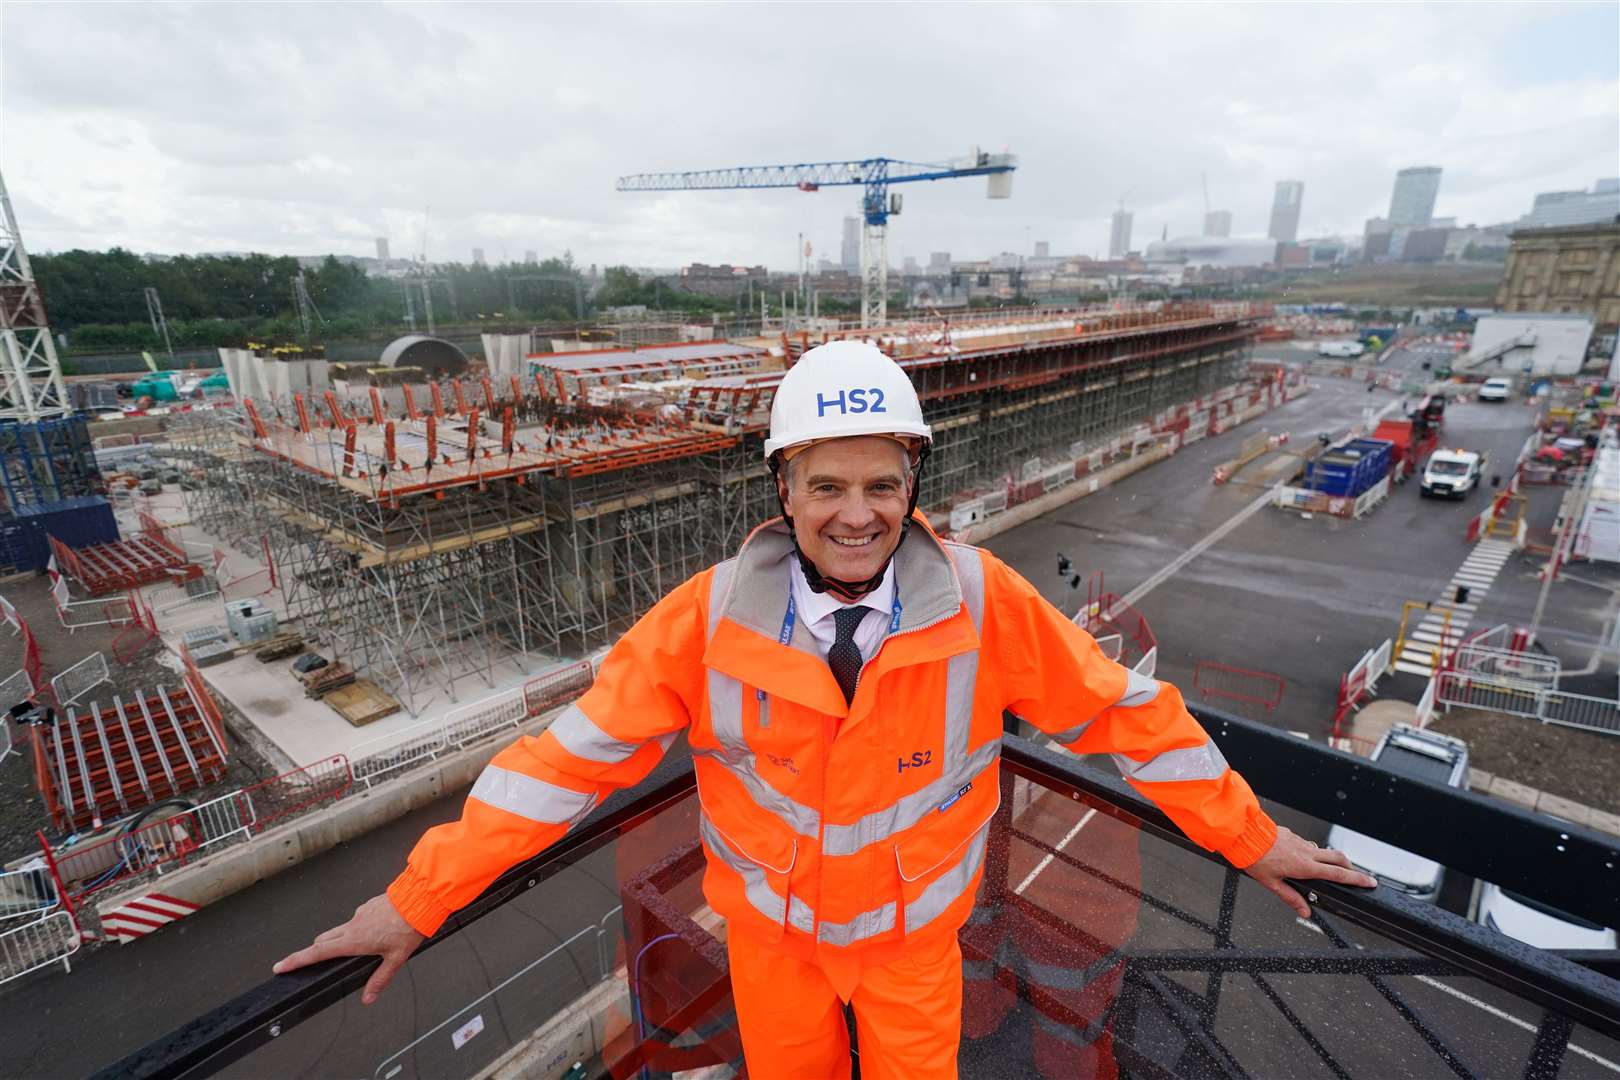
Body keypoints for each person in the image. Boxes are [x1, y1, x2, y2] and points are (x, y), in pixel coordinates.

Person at [275, 341, 1374, 1079]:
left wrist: (1256, 839)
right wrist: (418, 901)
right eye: (829, 487)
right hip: (774, 950)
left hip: (911, 953)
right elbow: (561, 763)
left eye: (883, 486)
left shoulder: (985, 606)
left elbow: (1126, 719)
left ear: (913, 486)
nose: (859, 515)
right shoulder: (707, 624)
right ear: (783, 491)